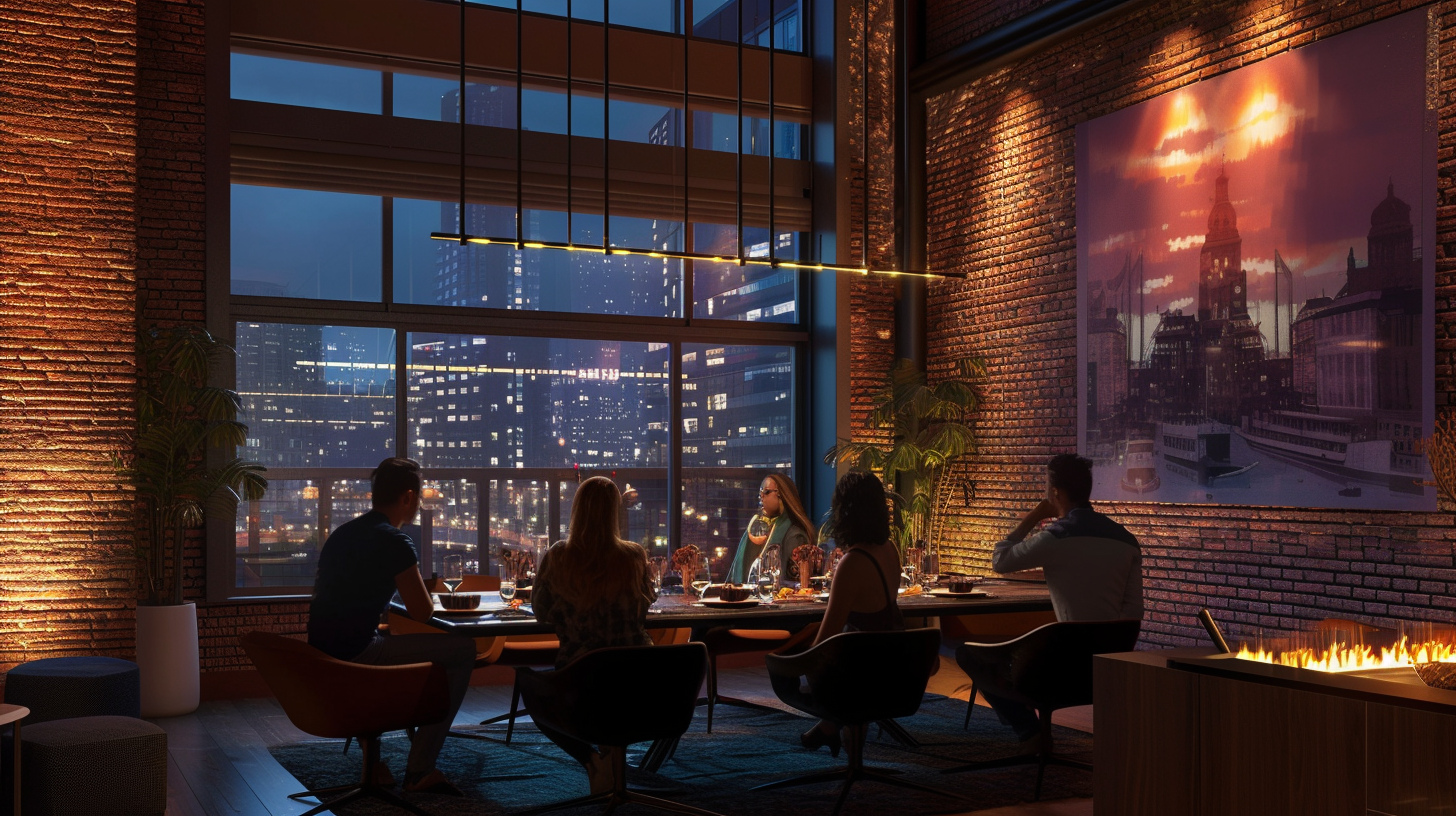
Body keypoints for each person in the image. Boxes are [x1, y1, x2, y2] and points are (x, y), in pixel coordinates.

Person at [307, 457, 476, 795]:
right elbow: (423, 611)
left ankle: (375, 760)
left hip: (321, 655)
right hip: (360, 653)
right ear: (409, 497)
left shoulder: (343, 534)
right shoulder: (395, 541)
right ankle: (420, 769)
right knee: (462, 649)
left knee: (399, 638)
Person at [985, 452, 1143, 744]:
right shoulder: (1127, 541)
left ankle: (1031, 734)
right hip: (1111, 666)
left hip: (1061, 672)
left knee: (981, 660)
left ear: (1054, 493)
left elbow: (1000, 560)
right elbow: (1133, 611)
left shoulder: (1055, 538)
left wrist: (1034, 515)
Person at [531, 476, 657, 791]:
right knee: (616, 685)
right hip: (640, 680)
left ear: (575, 511)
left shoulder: (558, 556)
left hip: (580, 681)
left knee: (532, 690)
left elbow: (541, 610)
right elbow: (647, 603)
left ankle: (591, 759)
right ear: (615, 512)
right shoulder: (634, 556)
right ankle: (613, 753)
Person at [795, 471, 905, 756]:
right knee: (855, 655)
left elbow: (826, 638)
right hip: (890, 666)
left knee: (791, 667)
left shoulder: (853, 561)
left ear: (845, 511)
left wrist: (794, 664)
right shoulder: (890, 550)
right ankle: (830, 728)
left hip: (859, 671)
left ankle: (834, 731)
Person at [726, 473, 815, 585]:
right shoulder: (755, 530)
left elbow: (793, 584)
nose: (761, 496)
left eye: (766, 492)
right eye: (760, 493)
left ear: (782, 494)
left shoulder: (795, 535)